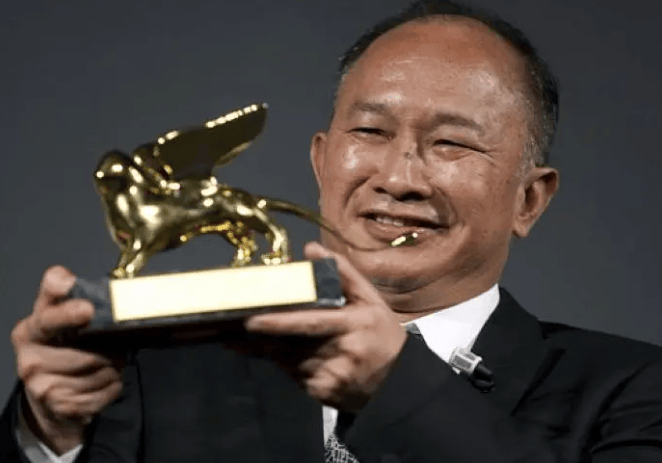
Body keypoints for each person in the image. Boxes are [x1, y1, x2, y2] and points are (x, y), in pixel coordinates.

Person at [3, 1, 662, 462]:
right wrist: (49, 436)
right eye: (370, 131)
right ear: (321, 162)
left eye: (452, 143)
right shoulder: (155, 374)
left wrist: (396, 387)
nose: (398, 177)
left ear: (529, 198)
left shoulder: (634, 391)